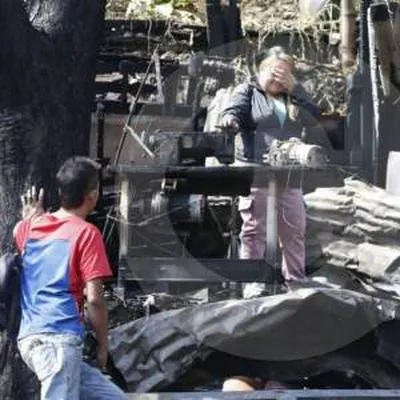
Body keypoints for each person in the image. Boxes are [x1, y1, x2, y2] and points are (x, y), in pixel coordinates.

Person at [13, 157, 127, 400]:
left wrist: (31, 217)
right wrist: (104, 347)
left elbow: (19, 231)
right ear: (93, 196)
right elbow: (95, 300)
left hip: (31, 338)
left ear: (60, 192)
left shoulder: (29, 228)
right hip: (59, 342)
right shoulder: (86, 234)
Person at [221, 46, 322, 289]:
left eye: (284, 72)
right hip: (256, 170)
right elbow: (233, 111)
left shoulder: (294, 96)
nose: (278, 77)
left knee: (294, 228)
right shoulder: (248, 91)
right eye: (273, 71)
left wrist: (296, 88)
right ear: (259, 70)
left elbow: (314, 117)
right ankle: (253, 284)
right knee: (255, 230)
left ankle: (295, 283)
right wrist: (230, 120)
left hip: (288, 171)